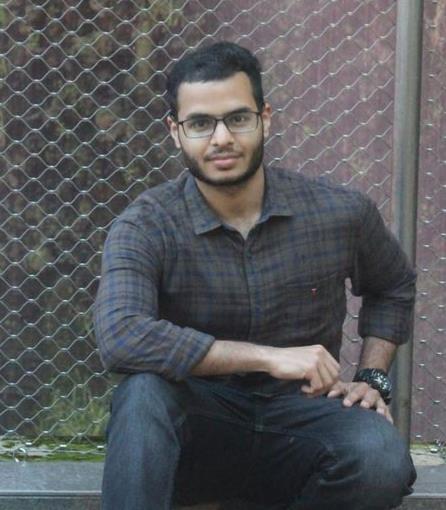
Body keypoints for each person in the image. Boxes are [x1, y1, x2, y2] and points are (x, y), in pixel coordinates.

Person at [94, 41, 417, 510]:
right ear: (175, 132)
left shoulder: (338, 212)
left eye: (237, 118)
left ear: (265, 118)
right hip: (196, 429)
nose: (221, 138)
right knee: (142, 395)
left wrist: (372, 376)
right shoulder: (146, 225)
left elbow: (393, 286)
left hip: (304, 419)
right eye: (200, 124)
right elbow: (122, 335)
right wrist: (269, 358)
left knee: (381, 458)